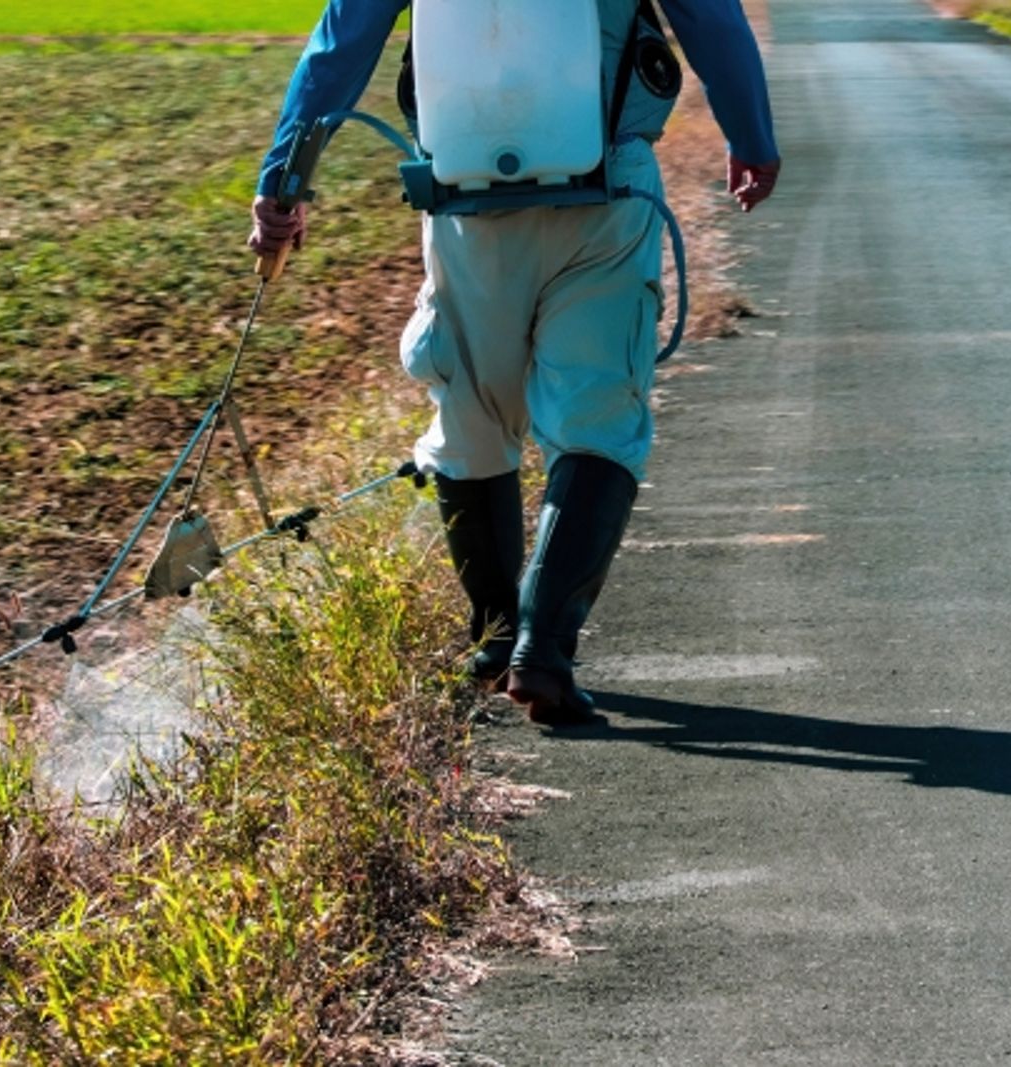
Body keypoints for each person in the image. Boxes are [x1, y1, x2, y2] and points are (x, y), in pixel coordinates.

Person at [250, 0, 779, 726]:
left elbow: (341, 44)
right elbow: (710, 18)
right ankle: (544, 649)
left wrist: (283, 179)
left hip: (466, 192)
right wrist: (751, 134)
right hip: (605, 187)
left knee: (470, 410)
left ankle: (498, 639)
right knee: (597, 414)